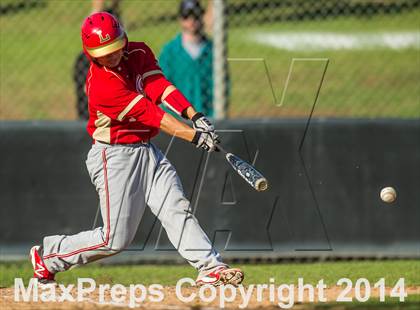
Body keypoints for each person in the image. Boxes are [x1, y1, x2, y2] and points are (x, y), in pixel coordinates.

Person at [30, 12, 244, 288]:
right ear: (91, 54)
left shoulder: (139, 51)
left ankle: (210, 267)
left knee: (176, 205)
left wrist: (195, 115)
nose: (112, 56)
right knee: (114, 239)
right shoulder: (102, 86)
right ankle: (48, 257)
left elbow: (159, 88)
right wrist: (194, 137)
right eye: (103, 53)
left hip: (146, 150)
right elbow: (153, 114)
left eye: (115, 48)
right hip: (114, 156)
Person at [159, 0, 216, 117]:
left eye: (195, 15)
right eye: (186, 16)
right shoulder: (170, 51)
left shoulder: (212, 50)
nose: (191, 20)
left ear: (202, 16)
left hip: (208, 117)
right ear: (180, 19)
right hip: (179, 118)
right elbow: (161, 89)